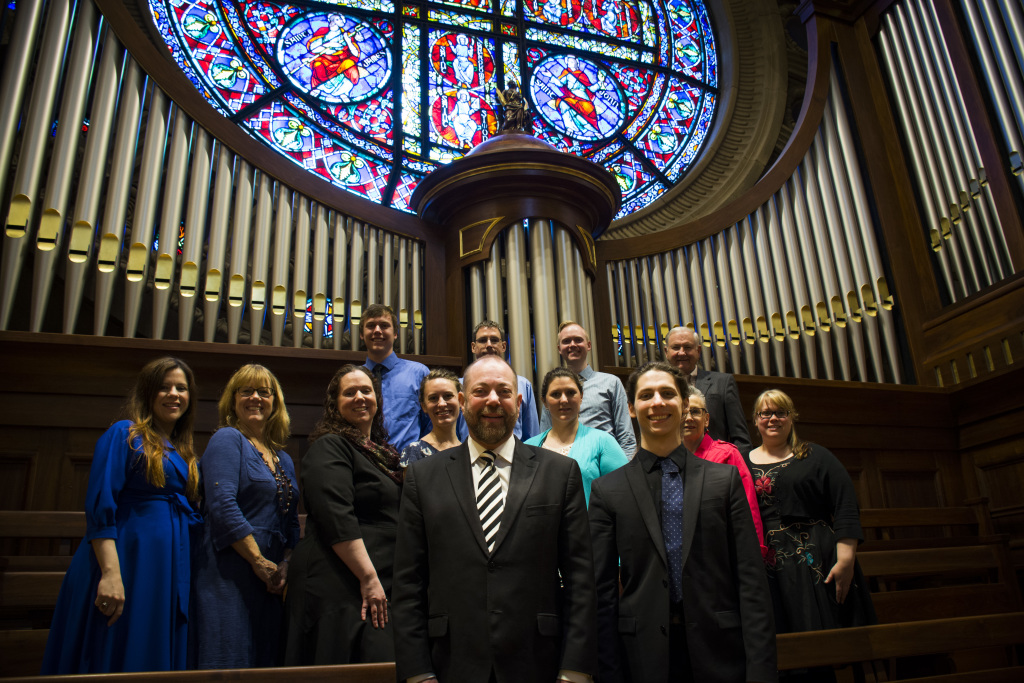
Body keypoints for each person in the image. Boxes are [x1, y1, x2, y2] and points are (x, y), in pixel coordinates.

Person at [392, 355, 598, 683]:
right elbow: (408, 583)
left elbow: (581, 579)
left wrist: (575, 668)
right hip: (450, 662)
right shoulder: (423, 477)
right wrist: (417, 672)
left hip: (539, 660)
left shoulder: (559, 473)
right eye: (480, 391)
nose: (492, 400)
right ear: (462, 401)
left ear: (517, 402)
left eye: (503, 391)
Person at [588, 362, 776, 683]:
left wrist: (760, 671)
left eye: (667, 393)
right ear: (632, 409)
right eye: (646, 395)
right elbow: (601, 591)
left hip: (721, 652)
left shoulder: (724, 480)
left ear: (685, 404)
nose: (658, 402)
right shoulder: (608, 490)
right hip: (640, 657)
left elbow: (751, 582)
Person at [42, 357, 201, 674]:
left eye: (181, 388)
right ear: (147, 392)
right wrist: (111, 574)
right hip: (128, 558)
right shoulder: (124, 434)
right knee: (119, 642)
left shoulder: (181, 449)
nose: (174, 394)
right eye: (164, 387)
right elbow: (102, 506)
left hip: (166, 565)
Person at [283, 364, 402, 665]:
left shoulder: (380, 454)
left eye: (366, 390)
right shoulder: (331, 446)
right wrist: (368, 576)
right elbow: (335, 514)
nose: (360, 397)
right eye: (349, 392)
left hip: (371, 581)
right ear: (335, 405)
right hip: (340, 581)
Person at [747, 390, 876, 659]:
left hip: (816, 556)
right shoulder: (742, 462)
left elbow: (845, 506)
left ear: (792, 418)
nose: (773, 419)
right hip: (765, 563)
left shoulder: (816, 456)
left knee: (824, 645)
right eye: (765, 413)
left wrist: (846, 558)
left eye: (781, 412)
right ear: (755, 419)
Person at [192, 364, 300, 668]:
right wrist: (257, 561)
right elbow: (223, 505)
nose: (255, 398)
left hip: (271, 580)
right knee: (229, 661)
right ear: (233, 400)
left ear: (275, 402)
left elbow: (291, 522)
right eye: (246, 391)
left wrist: (285, 565)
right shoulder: (227, 439)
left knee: (265, 663)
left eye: (264, 392)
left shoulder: (284, 459)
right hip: (229, 571)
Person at [682, 387, 767, 559]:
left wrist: (754, 554)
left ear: (706, 419)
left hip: (722, 549)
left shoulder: (728, 454)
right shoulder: (667, 459)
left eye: (695, 412)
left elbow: (748, 508)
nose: (689, 418)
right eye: (683, 412)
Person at [526, 367, 628, 504]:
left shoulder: (603, 442)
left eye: (570, 393)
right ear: (544, 401)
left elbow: (624, 495)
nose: (564, 400)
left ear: (581, 396)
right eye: (556, 394)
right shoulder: (528, 447)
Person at [540, 320, 636, 457]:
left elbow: (626, 438)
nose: (572, 345)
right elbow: (545, 436)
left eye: (578, 340)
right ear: (559, 349)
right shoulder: (552, 389)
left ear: (589, 345)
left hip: (605, 465)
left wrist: (624, 474)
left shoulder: (611, 383)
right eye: (566, 341)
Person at [664, 326, 752, 455]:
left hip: (715, 466)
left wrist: (737, 472)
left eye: (687, 347)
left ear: (698, 350)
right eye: (676, 347)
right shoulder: (658, 387)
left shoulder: (723, 382)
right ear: (666, 351)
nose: (682, 352)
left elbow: (740, 438)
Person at [456, 320, 540, 442]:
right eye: (483, 340)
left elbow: (532, 438)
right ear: (473, 347)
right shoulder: (457, 386)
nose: (489, 344)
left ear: (503, 346)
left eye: (494, 340)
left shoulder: (523, 385)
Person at [361, 303, 430, 451]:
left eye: (384, 326)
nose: (377, 331)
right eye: (371, 326)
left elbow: (431, 424)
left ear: (395, 333)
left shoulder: (419, 373)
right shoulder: (353, 378)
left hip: (408, 465)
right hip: (363, 463)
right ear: (361, 334)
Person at [401, 369, 462, 467]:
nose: (442, 404)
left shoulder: (469, 452)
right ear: (424, 406)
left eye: (448, 396)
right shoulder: (414, 452)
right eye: (433, 398)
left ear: (460, 401)